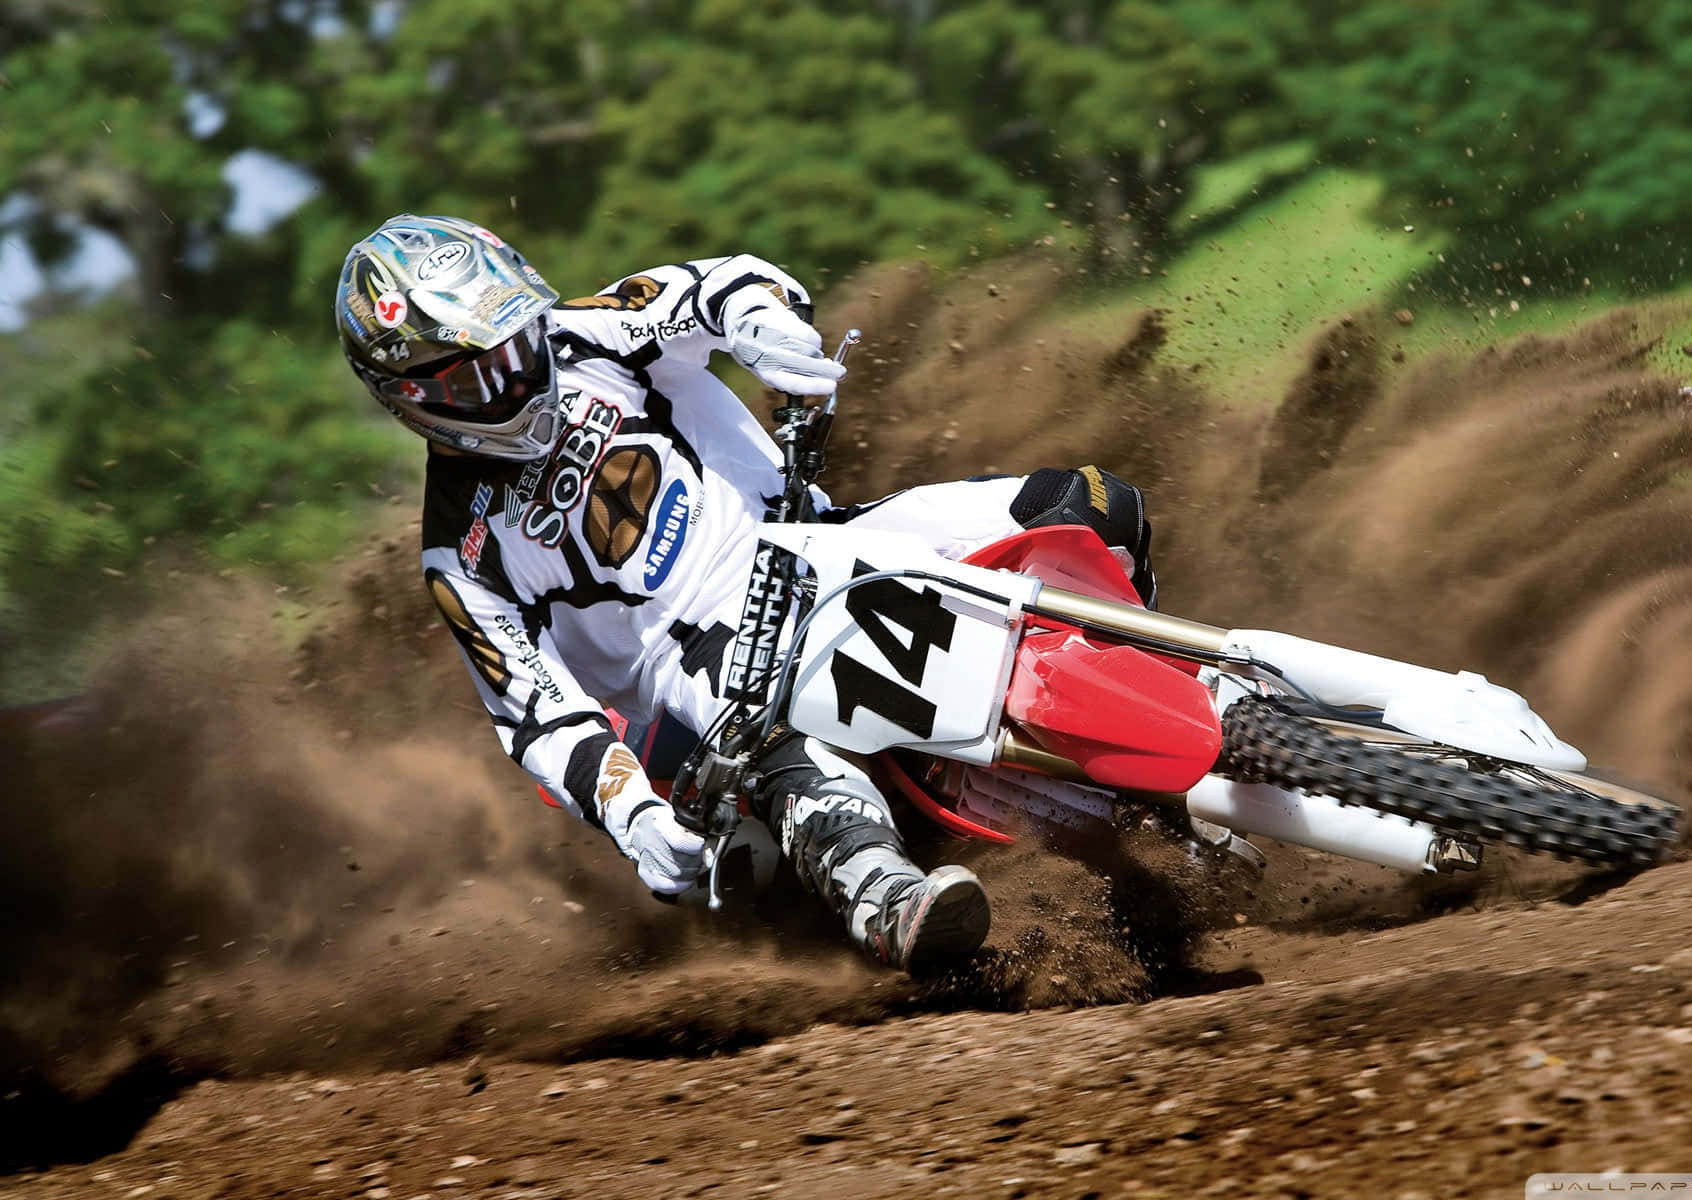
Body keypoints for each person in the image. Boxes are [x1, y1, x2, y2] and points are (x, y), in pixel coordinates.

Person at [336, 214, 1155, 974]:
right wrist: (633, 817)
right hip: (705, 681)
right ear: (410, 395)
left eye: (513, 345)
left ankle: (1165, 676)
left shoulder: (592, 327)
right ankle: (890, 901)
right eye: (473, 376)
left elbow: (716, 286)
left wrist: (764, 325)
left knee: (1089, 503)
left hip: (815, 535)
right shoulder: (460, 558)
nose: (510, 378)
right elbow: (539, 716)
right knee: (789, 767)